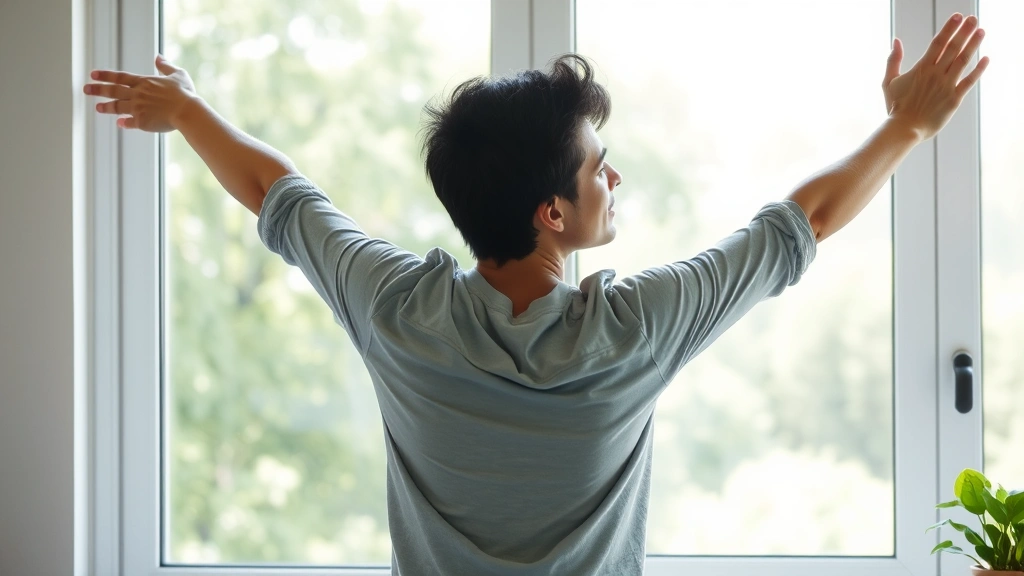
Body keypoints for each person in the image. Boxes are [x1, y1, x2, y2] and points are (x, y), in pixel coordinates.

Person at [85, 12, 988, 575]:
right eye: (601, 167)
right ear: (554, 210)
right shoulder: (634, 331)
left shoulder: (398, 312)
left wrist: (189, 112)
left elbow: (277, 191)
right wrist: (908, 123)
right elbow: (804, 222)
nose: (616, 175)